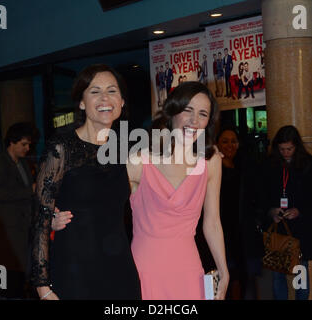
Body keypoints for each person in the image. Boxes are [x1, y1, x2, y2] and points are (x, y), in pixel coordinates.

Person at [30, 64, 141, 300]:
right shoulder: (62, 147)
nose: (104, 98)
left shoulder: (126, 147)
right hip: (74, 271)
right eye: (94, 91)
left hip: (120, 270)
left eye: (112, 91)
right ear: (81, 102)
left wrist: (207, 153)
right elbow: (39, 218)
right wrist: (43, 287)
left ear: (121, 102)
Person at [126, 81, 229, 300]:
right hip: (144, 272)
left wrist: (224, 269)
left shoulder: (210, 163)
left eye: (203, 114)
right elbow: (102, 206)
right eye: (187, 110)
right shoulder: (139, 161)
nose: (194, 120)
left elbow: (212, 222)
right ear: (172, 112)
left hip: (189, 273)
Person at [258, 125, 312, 300]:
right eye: (282, 149)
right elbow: (261, 195)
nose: (286, 153)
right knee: (277, 276)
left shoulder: (308, 164)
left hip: (301, 232)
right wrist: (271, 211)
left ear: (297, 147)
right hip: (278, 229)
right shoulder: (269, 165)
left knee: (300, 275)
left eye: (289, 149)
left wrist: (300, 211)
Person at [216, 127, 263, 300]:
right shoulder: (213, 169)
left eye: (233, 141)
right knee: (226, 277)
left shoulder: (245, 167)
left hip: (244, 233)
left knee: (245, 278)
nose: (230, 145)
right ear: (217, 144)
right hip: (221, 232)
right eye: (225, 141)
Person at [0, 122, 36, 299]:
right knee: (10, 279)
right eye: (24, 144)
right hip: (8, 231)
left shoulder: (22, 164)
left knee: (21, 273)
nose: (27, 148)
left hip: (23, 228)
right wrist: (29, 190)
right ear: (12, 142)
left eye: (29, 144)